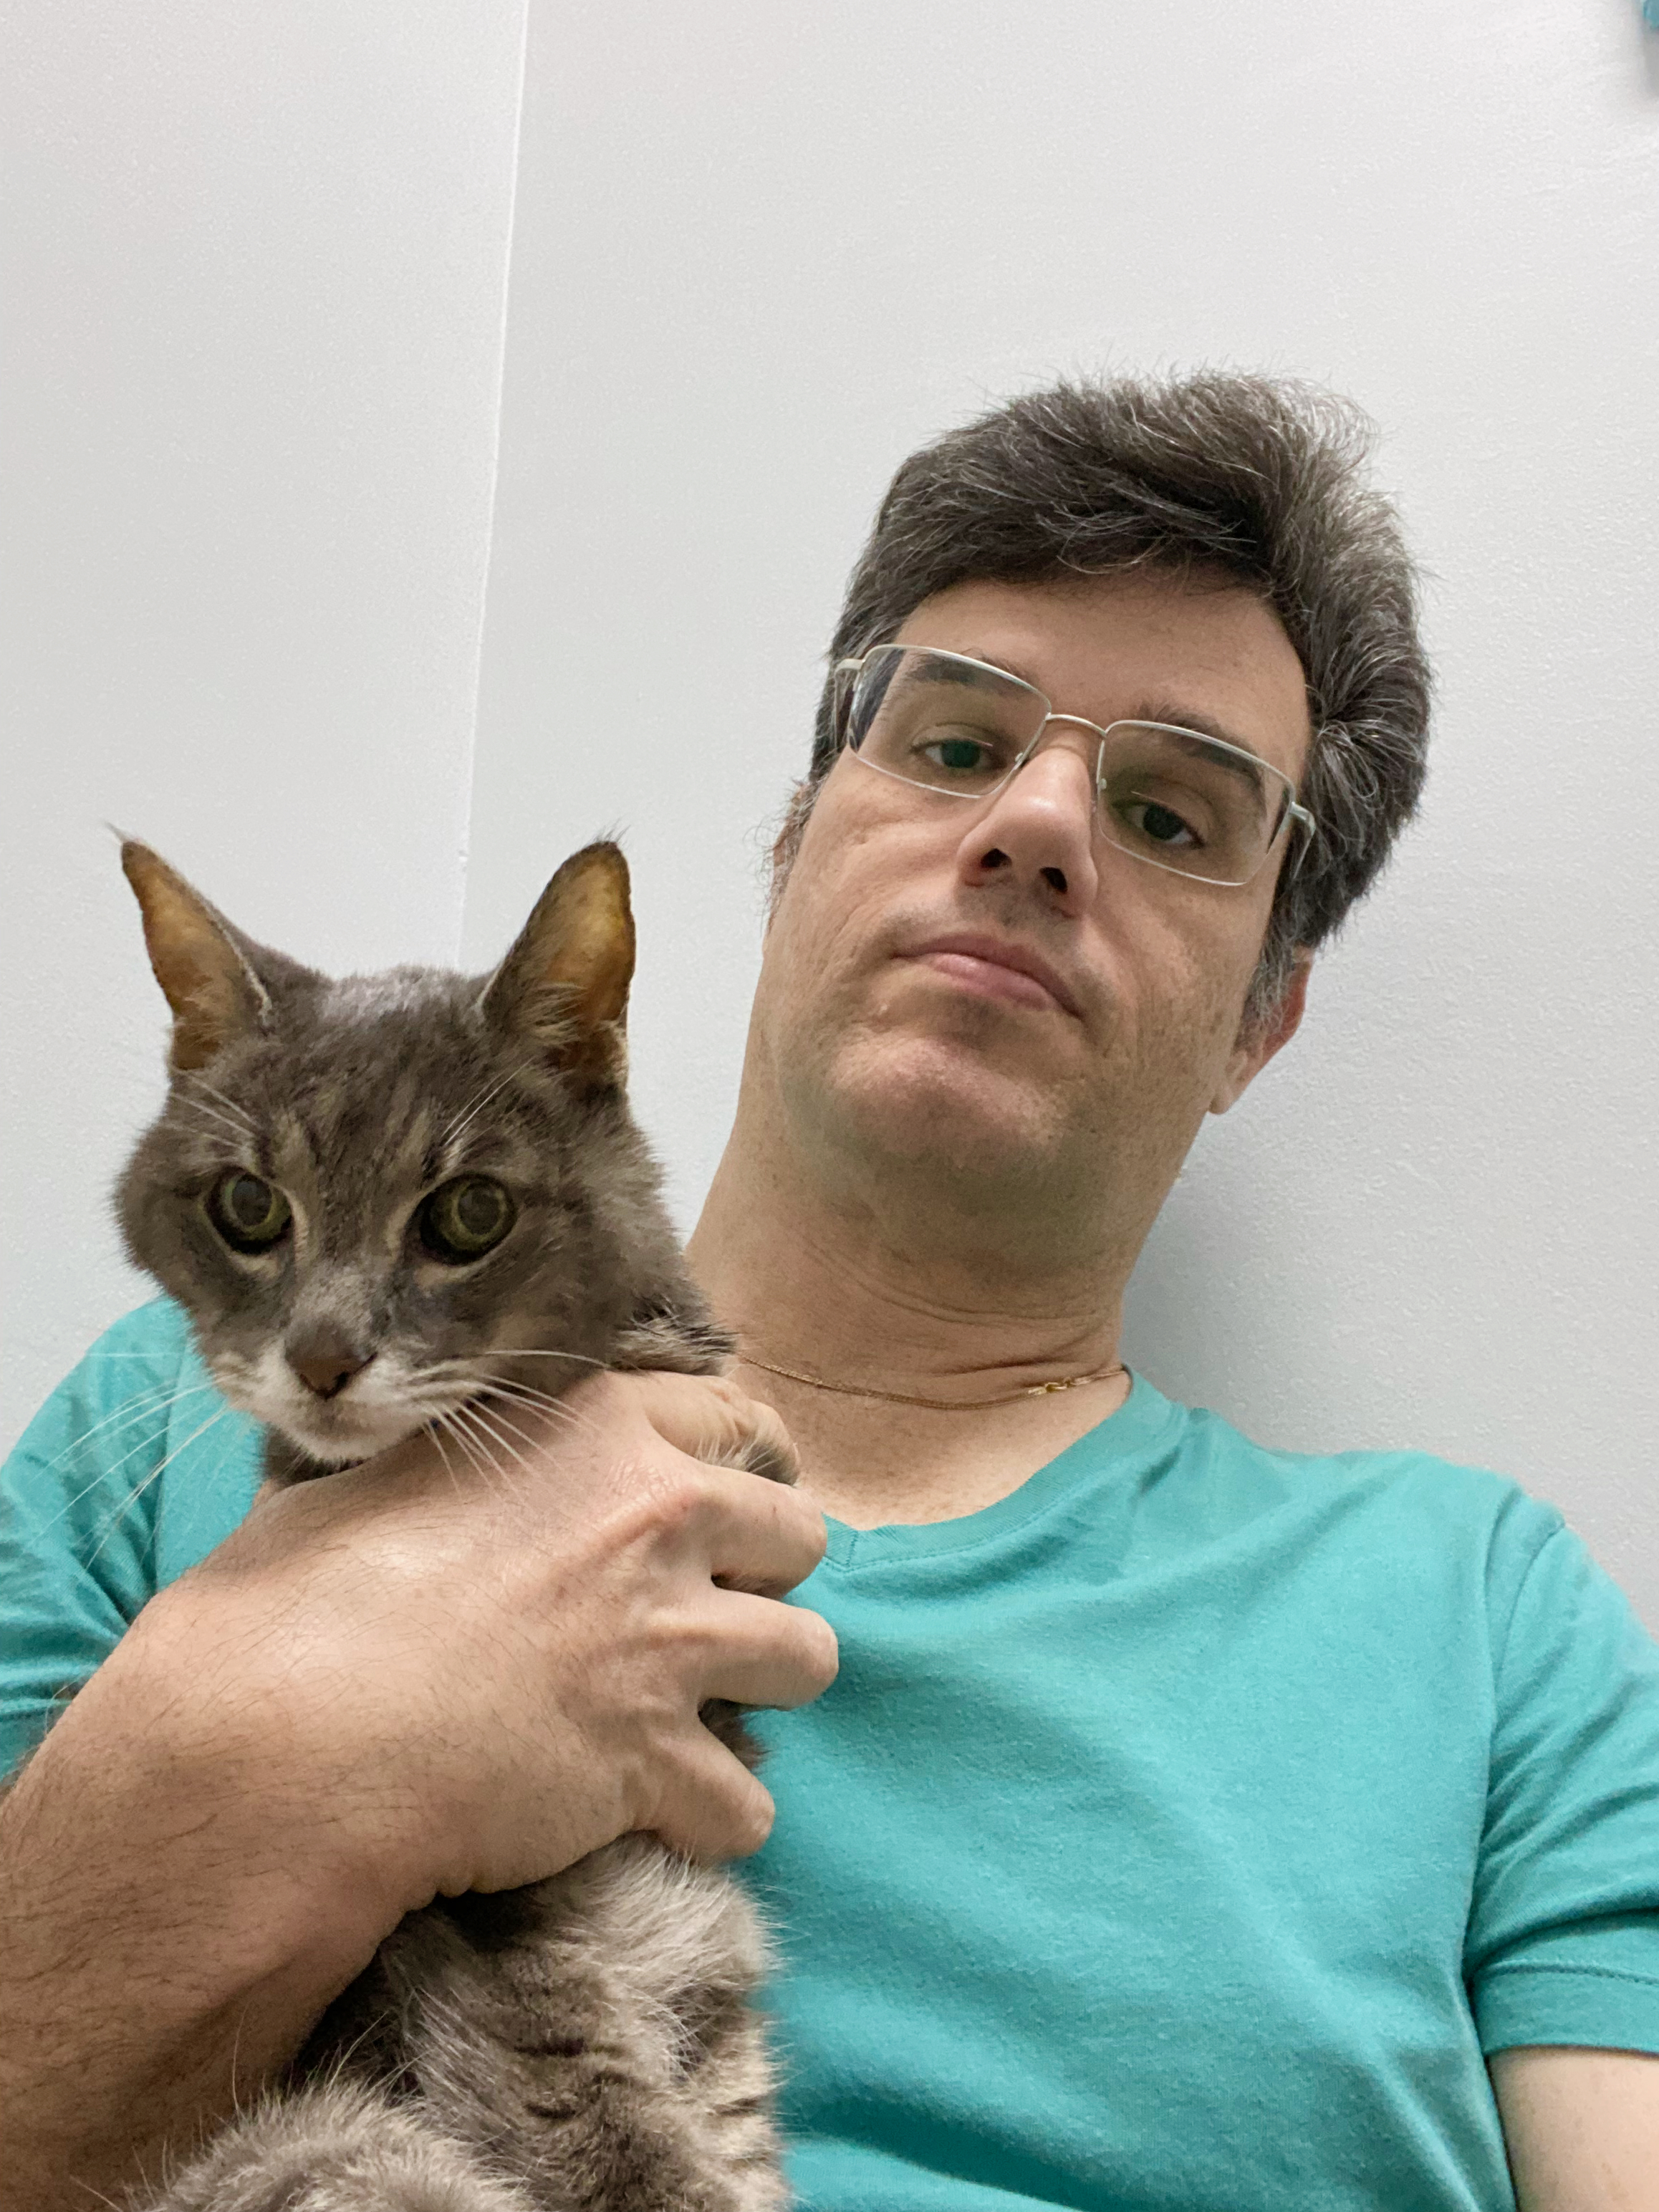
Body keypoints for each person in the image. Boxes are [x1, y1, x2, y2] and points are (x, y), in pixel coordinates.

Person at [3, 373, 1656, 2212]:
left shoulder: (1488, 1622)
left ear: (1261, 1022)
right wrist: (276, 1714)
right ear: (796, 836)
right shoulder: (159, 1430)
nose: (1038, 822)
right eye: (954, 741)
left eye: (1174, 813)